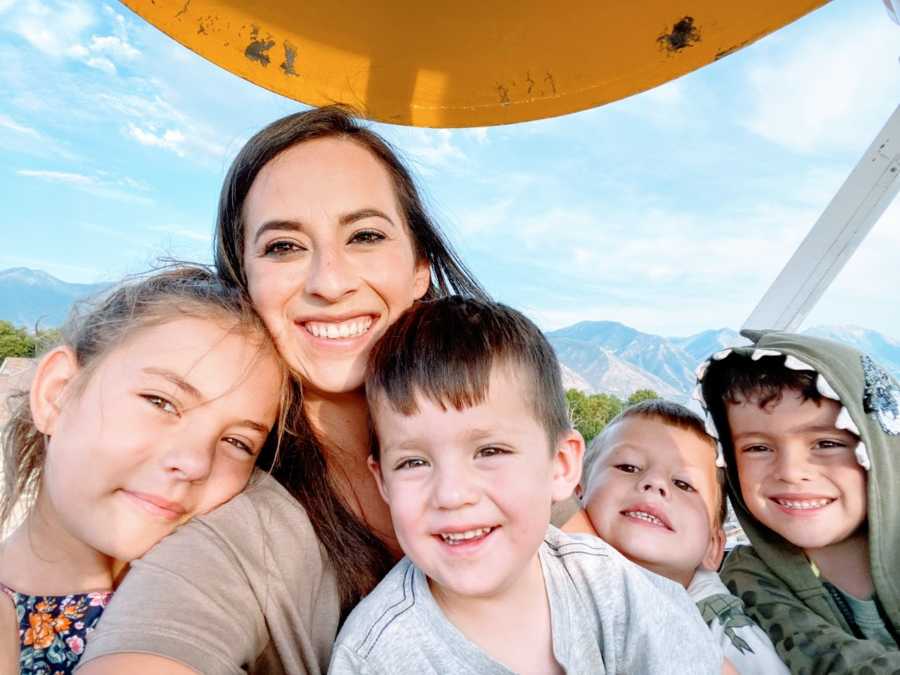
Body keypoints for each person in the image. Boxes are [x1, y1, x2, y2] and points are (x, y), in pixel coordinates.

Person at [78, 106, 492, 675]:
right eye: (284, 247)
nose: (329, 281)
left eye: (365, 235)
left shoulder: (514, 452)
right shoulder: (239, 532)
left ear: (419, 268)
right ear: (244, 280)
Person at [329, 297, 726, 674]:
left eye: (490, 451)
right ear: (382, 480)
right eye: (414, 462)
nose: (451, 495)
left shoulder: (613, 589)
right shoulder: (375, 658)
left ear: (561, 465)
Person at [0, 265, 287, 675]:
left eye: (238, 443)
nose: (194, 462)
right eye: (161, 402)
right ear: (57, 393)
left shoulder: (230, 622)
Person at [697, 330, 900, 672]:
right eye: (758, 448)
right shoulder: (748, 577)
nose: (790, 472)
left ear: (878, 451)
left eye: (826, 443)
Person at [572, 399, 788, 675]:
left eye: (684, 484)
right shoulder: (538, 574)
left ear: (713, 547)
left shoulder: (734, 641)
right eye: (628, 467)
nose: (655, 483)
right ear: (578, 491)